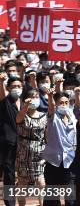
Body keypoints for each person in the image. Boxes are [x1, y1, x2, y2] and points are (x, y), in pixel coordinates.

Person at [41, 90, 77, 206]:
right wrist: (50, 96)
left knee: (71, 198)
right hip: (54, 162)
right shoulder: (53, 116)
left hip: (70, 161)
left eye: (66, 102)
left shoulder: (72, 116)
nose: (64, 105)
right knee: (52, 198)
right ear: (56, 104)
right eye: (61, 103)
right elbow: (50, 107)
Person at [15, 88, 46, 206]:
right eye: (32, 96)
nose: (35, 99)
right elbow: (18, 119)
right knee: (22, 182)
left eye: (37, 96)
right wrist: (26, 105)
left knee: (41, 182)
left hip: (39, 152)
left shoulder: (43, 115)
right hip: (24, 152)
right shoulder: (22, 114)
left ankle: (41, 203)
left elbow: (46, 134)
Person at [0, 73, 22, 206]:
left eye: (19, 86)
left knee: (14, 174)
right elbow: (2, 95)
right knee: (8, 173)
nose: (17, 88)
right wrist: (1, 82)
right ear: (8, 88)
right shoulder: (6, 100)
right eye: (14, 86)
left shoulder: (25, 101)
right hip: (7, 143)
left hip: (21, 143)